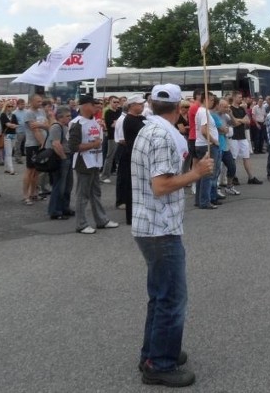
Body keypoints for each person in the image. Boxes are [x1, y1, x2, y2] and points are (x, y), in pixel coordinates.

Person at [131, 83, 213, 387]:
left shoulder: (149, 128)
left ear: (152, 103)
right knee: (172, 298)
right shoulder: (163, 135)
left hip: (150, 224)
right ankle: (160, 364)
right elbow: (161, 185)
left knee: (160, 295)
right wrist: (196, 173)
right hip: (159, 226)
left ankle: (153, 352)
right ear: (179, 109)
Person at [69, 95, 119, 234]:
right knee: (82, 194)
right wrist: (93, 144)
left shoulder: (95, 122)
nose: (96, 107)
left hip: (95, 162)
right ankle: (81, 224)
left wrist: (100, 131)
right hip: (83, 162)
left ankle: (101, 220)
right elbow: (73, 147)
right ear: (84, 106)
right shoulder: (77, 123)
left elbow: (98, 139)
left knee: (96, 193)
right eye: (93, 104)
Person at [116, 94, 146, 222]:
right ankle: (131, 215)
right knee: (131, 185)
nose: (142, 106)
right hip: (131, 155)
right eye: (139, 104)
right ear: (132, 106)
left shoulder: (139, 118)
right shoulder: (129, 120)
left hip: (139, 154)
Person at [46, 106, 74, 220]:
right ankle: (55, 210)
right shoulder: (56, 127)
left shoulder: (64, 127)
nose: (69, 118)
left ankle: (64, 207)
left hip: (67, 156)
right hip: (61, 158)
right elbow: (56, 144)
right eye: (67, 116)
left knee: (68, 185)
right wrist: (63, 157)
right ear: (60, 117)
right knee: (59, 186)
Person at [229, 92, 260, 185]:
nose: (241, 99)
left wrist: (239, 120)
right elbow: (234, 123)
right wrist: (241, 121)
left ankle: (251, 177)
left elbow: (248, 121)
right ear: (234, 98)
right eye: (239, 97)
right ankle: (233, 176)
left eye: (241, 97)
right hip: (233, 137)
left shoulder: (242, 109)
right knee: (233, 158)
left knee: (246, 156)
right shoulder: (230, 109)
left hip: (242, 136)